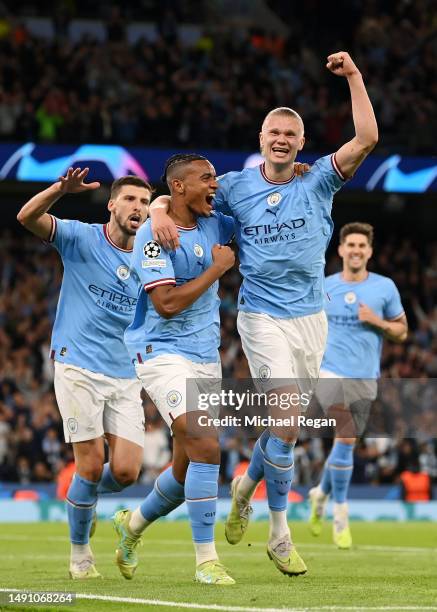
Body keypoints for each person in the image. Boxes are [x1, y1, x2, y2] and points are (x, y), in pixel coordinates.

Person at [149, 51, 378, 576]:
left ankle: (246, 484)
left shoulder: (318, 180)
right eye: (272, 131)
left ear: (301, 143)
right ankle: (279, 534)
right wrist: (160, 208)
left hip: (310, 319)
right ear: (261, 139)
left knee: (286, 429)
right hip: (261, 317)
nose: (280, 139)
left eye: (289, 134)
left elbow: (365, 139)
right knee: (286, 422)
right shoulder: (232, 187)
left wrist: (355, 78)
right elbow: (181, 193)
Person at [17, 168, 152, 579]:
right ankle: (80, 555)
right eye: (130, 200)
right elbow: (27, 217)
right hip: (77, 364)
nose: (138, 208)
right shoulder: (81, 237)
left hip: (126, 373)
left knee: (127, 472)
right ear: (112, 204)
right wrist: (60, 189)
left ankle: (82, 499)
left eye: (145, 203)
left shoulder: (152, 257)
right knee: (90, 466)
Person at [113, 154, 236, 585]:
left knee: (187, 466)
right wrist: (219, 269)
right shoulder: (152, 234)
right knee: (206, 443)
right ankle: (206, 560)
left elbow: (259, 207)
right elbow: (165, 305)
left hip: (205, 354)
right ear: (181, 186)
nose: (214, 185)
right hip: (160, 350)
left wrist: (292, 171)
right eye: (206, 179)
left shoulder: (214, 222)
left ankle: (131, 529)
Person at [309, 222, 407, 548]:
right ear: (340, 250)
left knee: (345, 443)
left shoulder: (385, 288)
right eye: (350, 245)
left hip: (365, 377)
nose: (355, 250)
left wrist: (377, 321)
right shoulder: (324, 287)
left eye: (361, 246)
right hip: (328, 372)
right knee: (347, 434)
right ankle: (340, 514)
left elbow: (402, 331)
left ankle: (320, 493)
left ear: (369, 252)